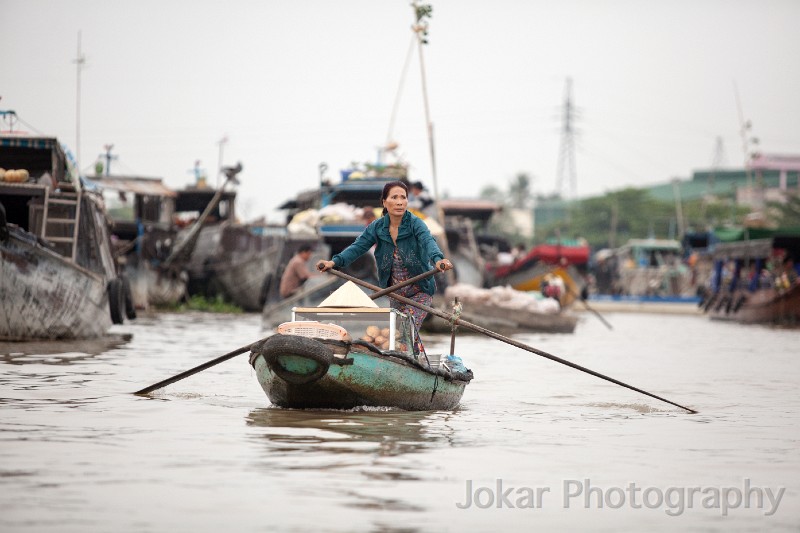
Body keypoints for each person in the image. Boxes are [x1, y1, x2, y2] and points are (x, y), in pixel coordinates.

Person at [317, 180, 453, 347]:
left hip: (419, 290)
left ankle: (410, 359)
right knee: (395, 335)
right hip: (393, 291)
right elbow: (358, 247)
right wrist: (334, 262)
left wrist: (439, 260)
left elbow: (428, 241)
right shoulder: (377, 227)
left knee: (407, 331)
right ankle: (416, 359)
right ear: (384, 202)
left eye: (403, 197)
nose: (399, 202)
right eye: (394, 197)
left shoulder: (415, 224)